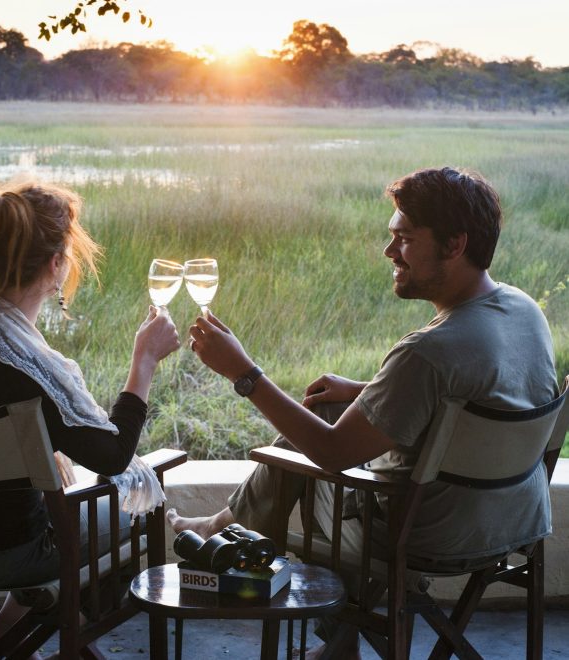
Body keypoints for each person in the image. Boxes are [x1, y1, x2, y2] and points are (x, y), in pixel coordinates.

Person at [168, 166, 559, 659]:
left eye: (405, 239)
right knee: (330, 408)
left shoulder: (428, 352)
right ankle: (325, 631)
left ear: (454, 245)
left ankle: (239, 540)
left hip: (422, 532)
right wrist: (364, 390)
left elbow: (331, 453)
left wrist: (244, 373)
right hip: (513, 518)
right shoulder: (524, 310)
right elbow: (478, 398)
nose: (389, 252)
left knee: (295, 455)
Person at [0, 179, 180, 653]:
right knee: (142, 504)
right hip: (4, 555)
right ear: (56, 266)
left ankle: (20, 617)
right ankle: (57, 609)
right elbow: (115, 456)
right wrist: (145, 361)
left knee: (50, 488)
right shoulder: (29, 369)